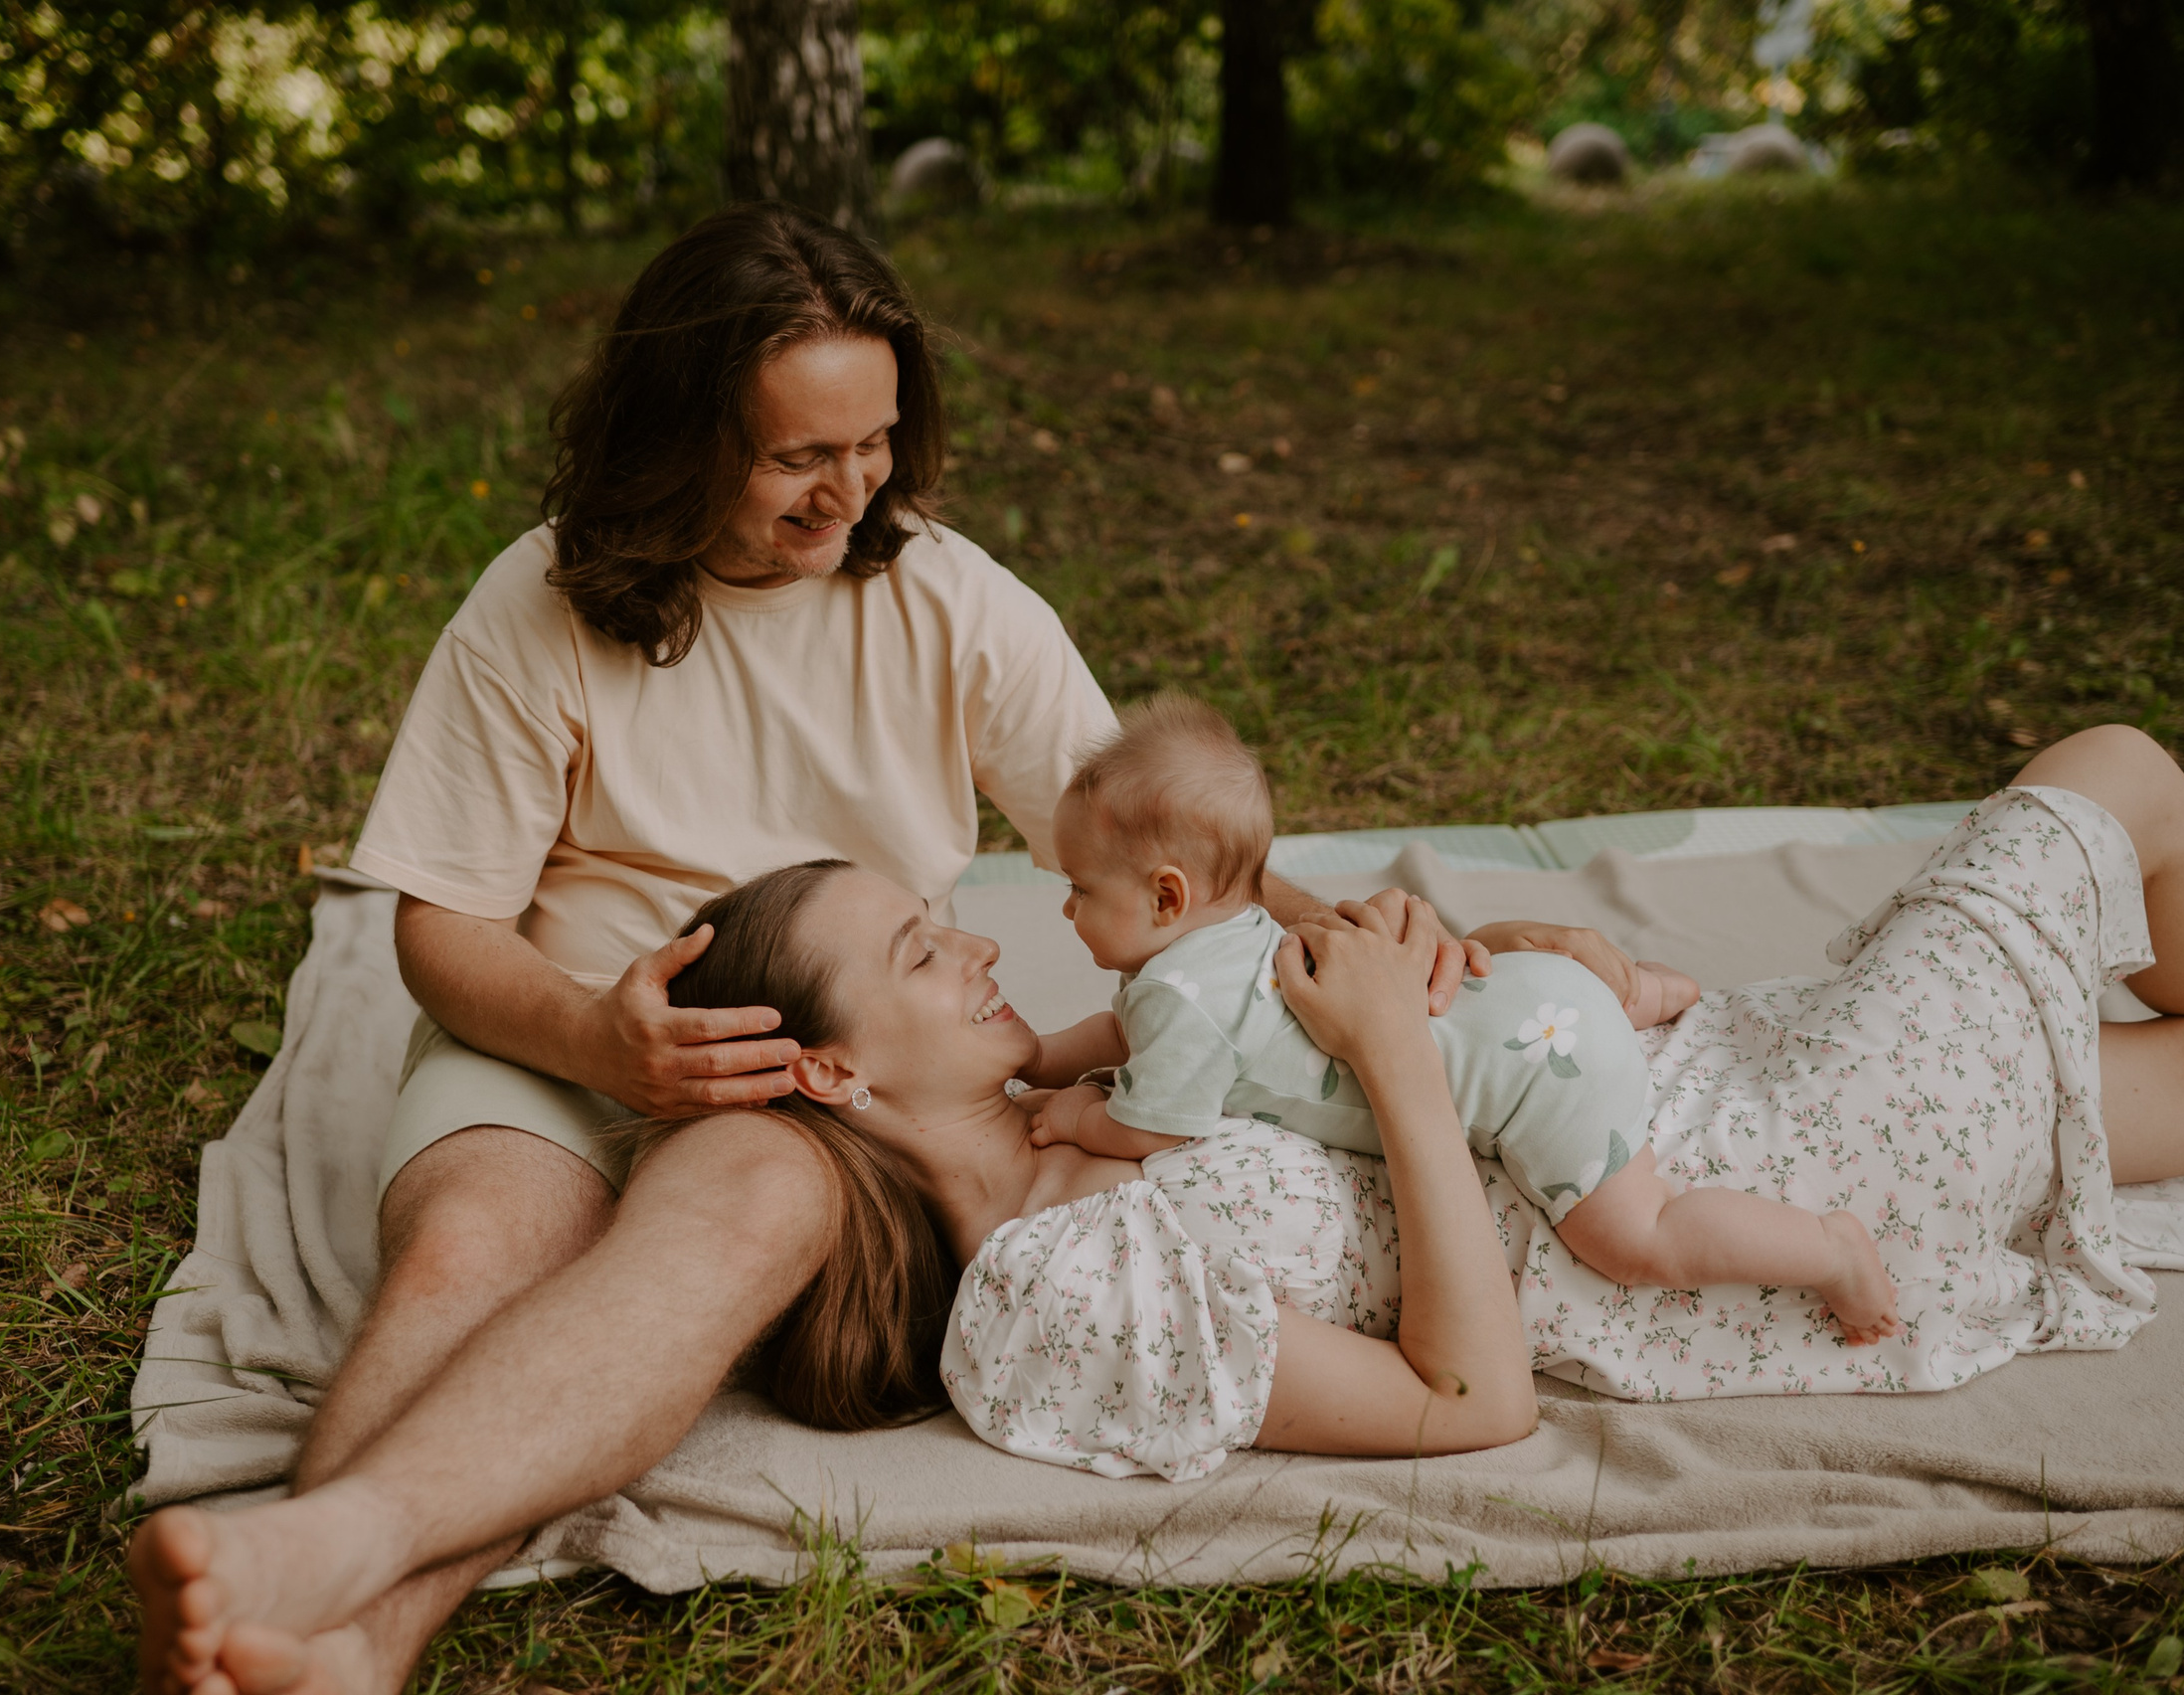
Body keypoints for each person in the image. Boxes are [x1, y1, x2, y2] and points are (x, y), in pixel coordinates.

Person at [124, 202, 1517, 1695]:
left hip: (817, 1079)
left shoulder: (947, 597)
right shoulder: (537, 605)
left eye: (875, 443)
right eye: (798, 455)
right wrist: (594, 1038)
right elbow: (439, 924)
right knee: (474, 1251)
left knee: (740, 1212)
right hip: (561, 1026)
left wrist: (1358, 933)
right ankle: (315, 1624)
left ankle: (338, 1610)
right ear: (682, 438)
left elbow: (1153, 846)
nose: (849, 490)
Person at [652, 723, 2184, 1479]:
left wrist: (1463, 956)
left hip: (1676, 1083)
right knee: (2115, 777)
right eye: (921, 951)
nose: (976, 946)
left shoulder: (1096, 1084)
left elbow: (1304, 1027)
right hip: (1766, 1174)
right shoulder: (1057, 1282)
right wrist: (1395, 1058)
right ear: (836, 1072)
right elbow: (1466, 1401)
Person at [1017, 694, 1903, 1345]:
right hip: (1531, 992)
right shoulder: (1227, 937)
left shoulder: (1179, 996)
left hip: (1540, 1082)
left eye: (1079, 889)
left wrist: (1077, 1114)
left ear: (1167, 896)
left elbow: (1154, 1124)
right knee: (1538, 996)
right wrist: (1041, 1054)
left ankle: (1828, 1249)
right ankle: (1649, 995)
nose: (1065, 909)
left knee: (1638, 1238)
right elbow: (1125, 1036)